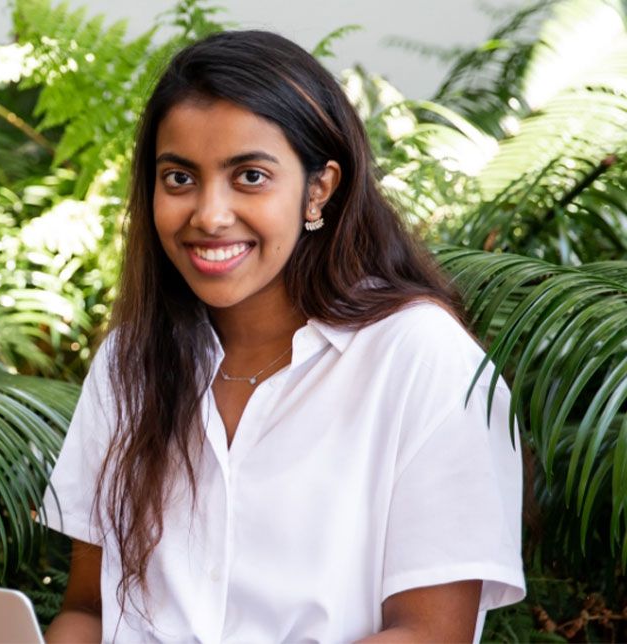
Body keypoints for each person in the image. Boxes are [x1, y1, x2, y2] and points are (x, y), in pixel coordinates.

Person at [38, 30, 527, 643]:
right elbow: (88, 609)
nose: (209, 215)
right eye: (179, 179)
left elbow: (430, 634)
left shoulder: (422, 359)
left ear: (318, 189)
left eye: (249, 176)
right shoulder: (129, 361)